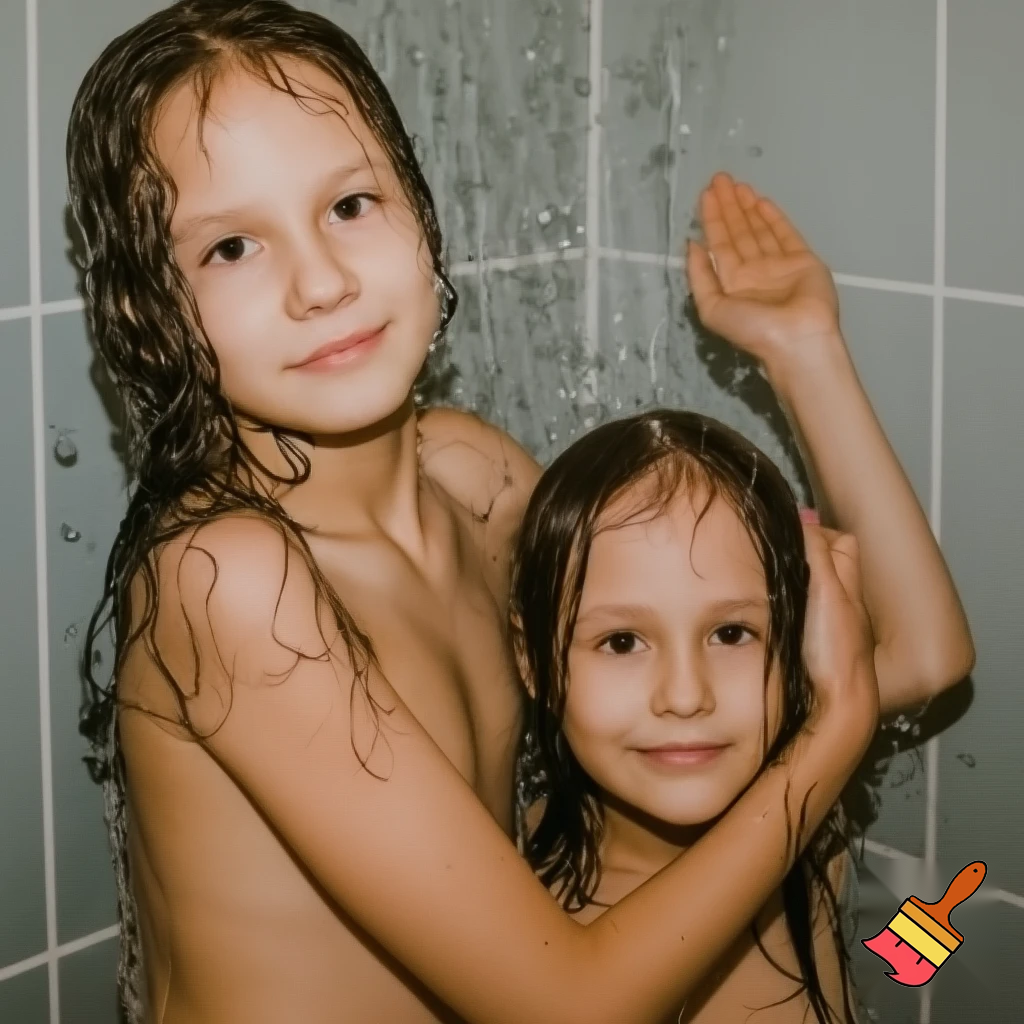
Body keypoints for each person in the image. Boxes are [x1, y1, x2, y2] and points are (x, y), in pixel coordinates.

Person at [66, 1, 973, 1021]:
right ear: (149, 307)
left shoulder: (471, 480)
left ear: (420, 210)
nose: (320, 282)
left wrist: (805, 353)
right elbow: (567, 1007)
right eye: (232, 247)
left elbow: (913, 654)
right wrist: (831, 739)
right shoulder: (226, 577)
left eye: (351, 204)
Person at [512, 409, 869, 1024]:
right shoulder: (520, 918)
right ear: (533, 661)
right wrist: (840, 722)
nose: (685, 697)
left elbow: (935, 655)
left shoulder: (808, 818)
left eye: (731, 633)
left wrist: (808, 357)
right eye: (622, 642)